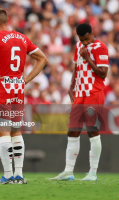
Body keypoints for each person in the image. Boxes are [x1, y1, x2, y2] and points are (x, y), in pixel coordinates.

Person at [0, 9, 47, 184]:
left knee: (3, 131)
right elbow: (42, 59)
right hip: (18, 86)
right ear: (7, 20)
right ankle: (19, 175)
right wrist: (27, 79)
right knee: (16, 130)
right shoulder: (22, 38)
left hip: (1, 86)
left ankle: (8, 175)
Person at [51, 23, 109, 181]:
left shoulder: (100, 47)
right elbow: (77, 68)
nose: (84, 43)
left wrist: (87, 57)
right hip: (80, 93)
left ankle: (93, 173)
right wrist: (71, 86)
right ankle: (68, 171)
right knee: (72, 131)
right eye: (81, 40)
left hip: (93, 93)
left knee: (92, 130)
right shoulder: (78, 46)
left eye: (86, 39)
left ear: (91, 34)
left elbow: (103, 74)